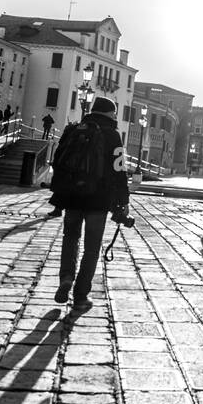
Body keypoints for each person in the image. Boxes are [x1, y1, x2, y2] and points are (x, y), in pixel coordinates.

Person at [49, 95, 130, 311]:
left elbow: (58, 161)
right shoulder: (113, 135)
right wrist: (124, 201)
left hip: (72, 196)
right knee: (92, 248)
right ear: (110, 113)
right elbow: (120, 170)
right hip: (98, 199)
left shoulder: (75, 129)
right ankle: (81, 295)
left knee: (70, 238)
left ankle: (66, 277)